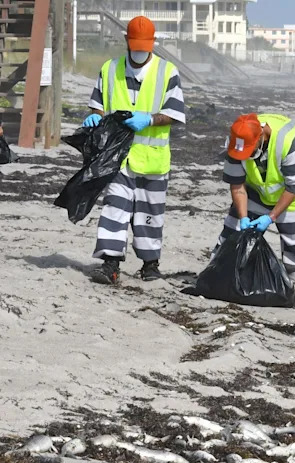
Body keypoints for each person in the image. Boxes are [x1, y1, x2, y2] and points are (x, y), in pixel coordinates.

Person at [82, 16, 185, 285]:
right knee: (114, 209)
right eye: (135, 45)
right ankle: (110, 263)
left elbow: (175, 114)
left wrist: (149, 119)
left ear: (153, 43)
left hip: (153, 160)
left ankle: (150, 265)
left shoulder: (167, 72)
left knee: (150, 215)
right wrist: (95, 117)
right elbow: (97, 105)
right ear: (127, 41)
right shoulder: (110, 69)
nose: (139, 52)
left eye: (144, 47)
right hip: (118, 157)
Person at [215, 113, 295, 306]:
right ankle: (222, 277)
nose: (246, 156)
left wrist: (271, 217)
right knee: (234, 232)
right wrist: (243, 217)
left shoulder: (289, 142)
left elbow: (292, 188)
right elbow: (237, 185)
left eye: (249, 151)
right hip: (258, 189)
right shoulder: (236, 142)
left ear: (261, 136)